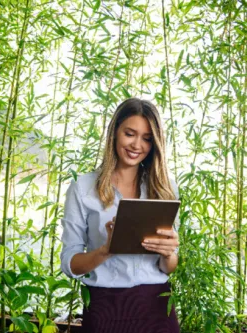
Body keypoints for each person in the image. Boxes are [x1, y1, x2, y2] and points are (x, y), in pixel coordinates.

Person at [60, 97, 181, 333]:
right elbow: (70, 263)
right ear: (114, 132)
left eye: (147, 138)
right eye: (130, 134)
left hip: (157, 305)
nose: (137, 145)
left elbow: (169, 266)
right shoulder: (82, 188)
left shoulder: (164, 188)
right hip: (105, 306)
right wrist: (106, 250)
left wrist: (168, 253)